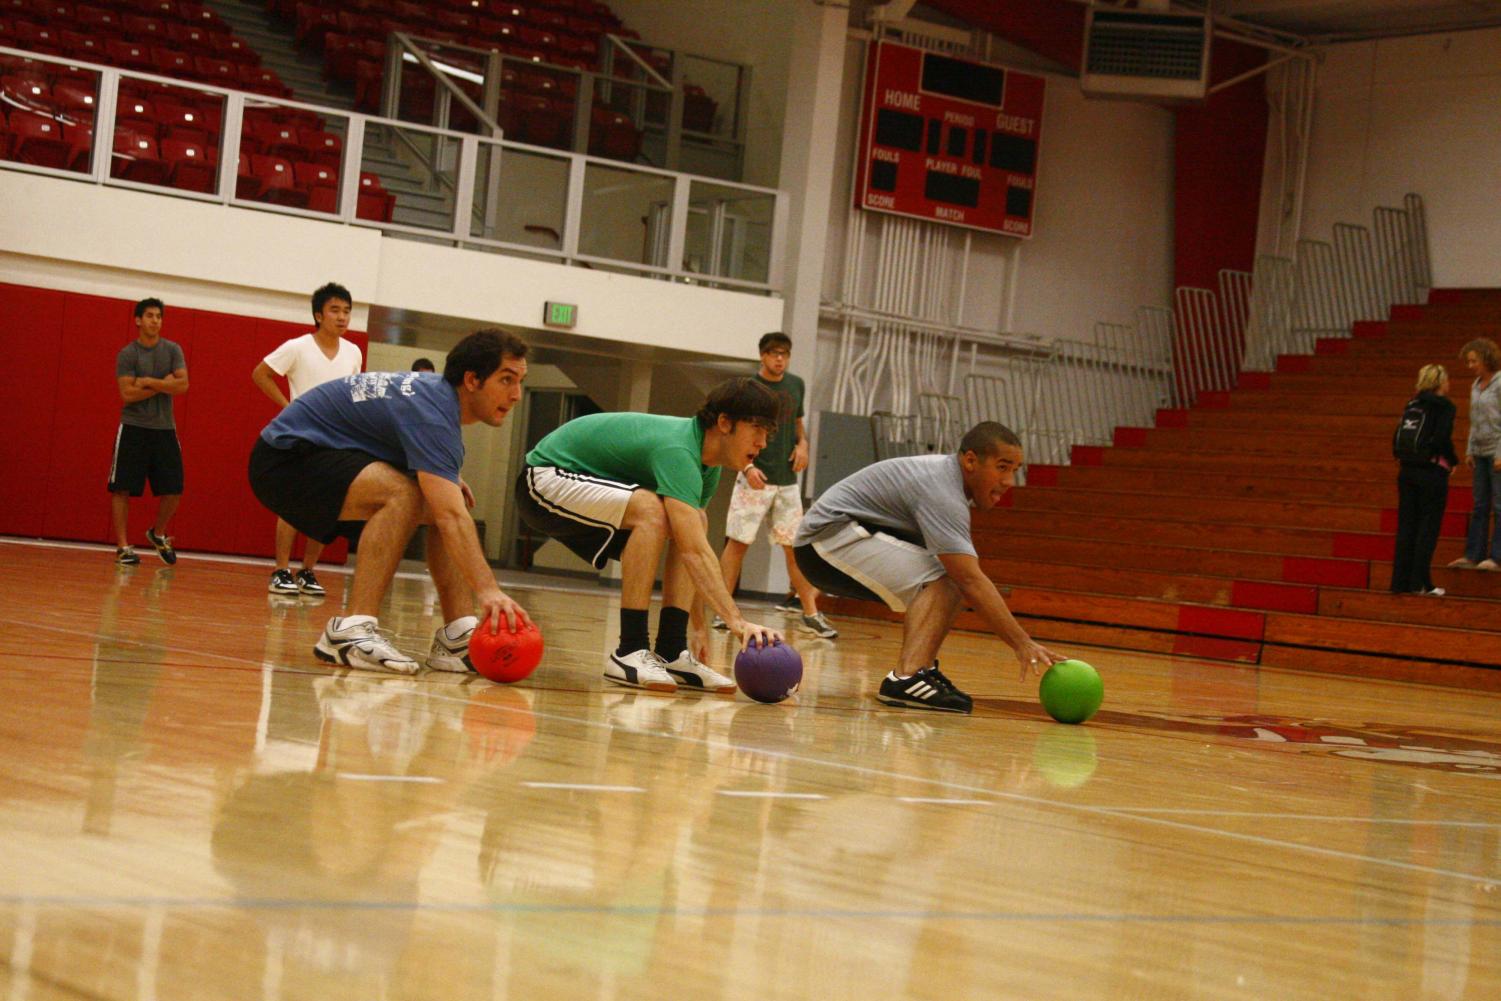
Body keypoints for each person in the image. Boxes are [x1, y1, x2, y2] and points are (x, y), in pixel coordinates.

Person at [248, 329, 532, 674]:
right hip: (284, 458)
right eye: (506, 380)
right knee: (406, 494)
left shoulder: (435, 403)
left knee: (443, 498)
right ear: (472, 379)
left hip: (322, 453)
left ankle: (457, 635)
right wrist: (489, 590)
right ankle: (351, 631)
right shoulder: (432, 411)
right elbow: (451, 519)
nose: (516, 394)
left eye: (520, 381)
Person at [515, 378, 784, 694]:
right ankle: (629, 649)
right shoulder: (679, 450)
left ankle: (671, 652)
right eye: (757, 429)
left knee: (694, 518)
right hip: (544, 478)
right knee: (652, 511)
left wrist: (697, 628)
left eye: (769, 432)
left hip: (583, 484)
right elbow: (695, 553)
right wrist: (736, 622)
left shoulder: (706, 465)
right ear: (724, 423)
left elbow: (690, 545)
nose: (763, 442)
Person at [792, 421, 1063, 713]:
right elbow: (971, 580)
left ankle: (919, 672)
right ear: (970, 460)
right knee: (947, 579)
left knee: (949, 582)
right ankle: (908, 677)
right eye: (1002, 467)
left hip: (839, 538)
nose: (1009, 480)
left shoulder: (944, 479)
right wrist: (1022, 643)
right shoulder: (941, 490)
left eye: (1015, 470)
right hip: (826, 540)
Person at [712, 332, 837, 639]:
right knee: (737, 545)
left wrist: (804, 444)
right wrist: (747, 465)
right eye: (773, 353)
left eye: (784, 353)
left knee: (795, 548)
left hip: (787, 482)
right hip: (753, 478)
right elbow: (733, 436)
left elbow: (796, 424)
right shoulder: (749, 389)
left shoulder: (796, 385)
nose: (779, 359)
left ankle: (810, 612)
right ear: (762, 356)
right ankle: (722, 610)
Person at [251, 282, 364, 597]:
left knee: (327, 505)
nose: (342, 317)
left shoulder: (353, 352)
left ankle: (309, 571)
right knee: (292, 504)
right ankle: (281, 570)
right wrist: (291, 408)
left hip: (338, 440)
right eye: (335, 310)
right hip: (301, 435)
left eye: (346, 311)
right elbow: (260, 373)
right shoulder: (297, 346)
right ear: (319, 314)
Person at [109, 298, 188, 566]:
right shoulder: (128, 354)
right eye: (150, 316)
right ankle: (122, 547)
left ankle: (158, 532)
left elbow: (182, 385)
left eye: (159, 316)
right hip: (133, 427)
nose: (155, 320)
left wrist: (150, 382)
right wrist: (162, 384)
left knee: (174, 489)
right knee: (122, 489)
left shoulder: (173, 350)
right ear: (138, 320)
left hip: (164, 428)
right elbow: (127, 394)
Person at [1391, 364, 1458, 595]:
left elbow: (1397, 437)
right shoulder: (1445, 406)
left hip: (1407, 472)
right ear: (1440, 382)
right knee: (1427, 528)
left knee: (1406, 527)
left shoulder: (1413, 403)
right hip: (1431, 472)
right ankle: (1419, 583)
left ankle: (1399, 584)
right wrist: (1453, 461)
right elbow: (1441, 438)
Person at [1449, 338, 1501, 570]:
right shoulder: (1475, 385)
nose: (1470, 366)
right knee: (1480, 504)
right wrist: (1470, 449)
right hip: (1479, 451)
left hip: (1497, 450)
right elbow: (1474, 420)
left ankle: (1497, 556)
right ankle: (1473, 554)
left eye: (1473, 361)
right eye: (1468, 362)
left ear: (1486, 359)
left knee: (1500, 504)